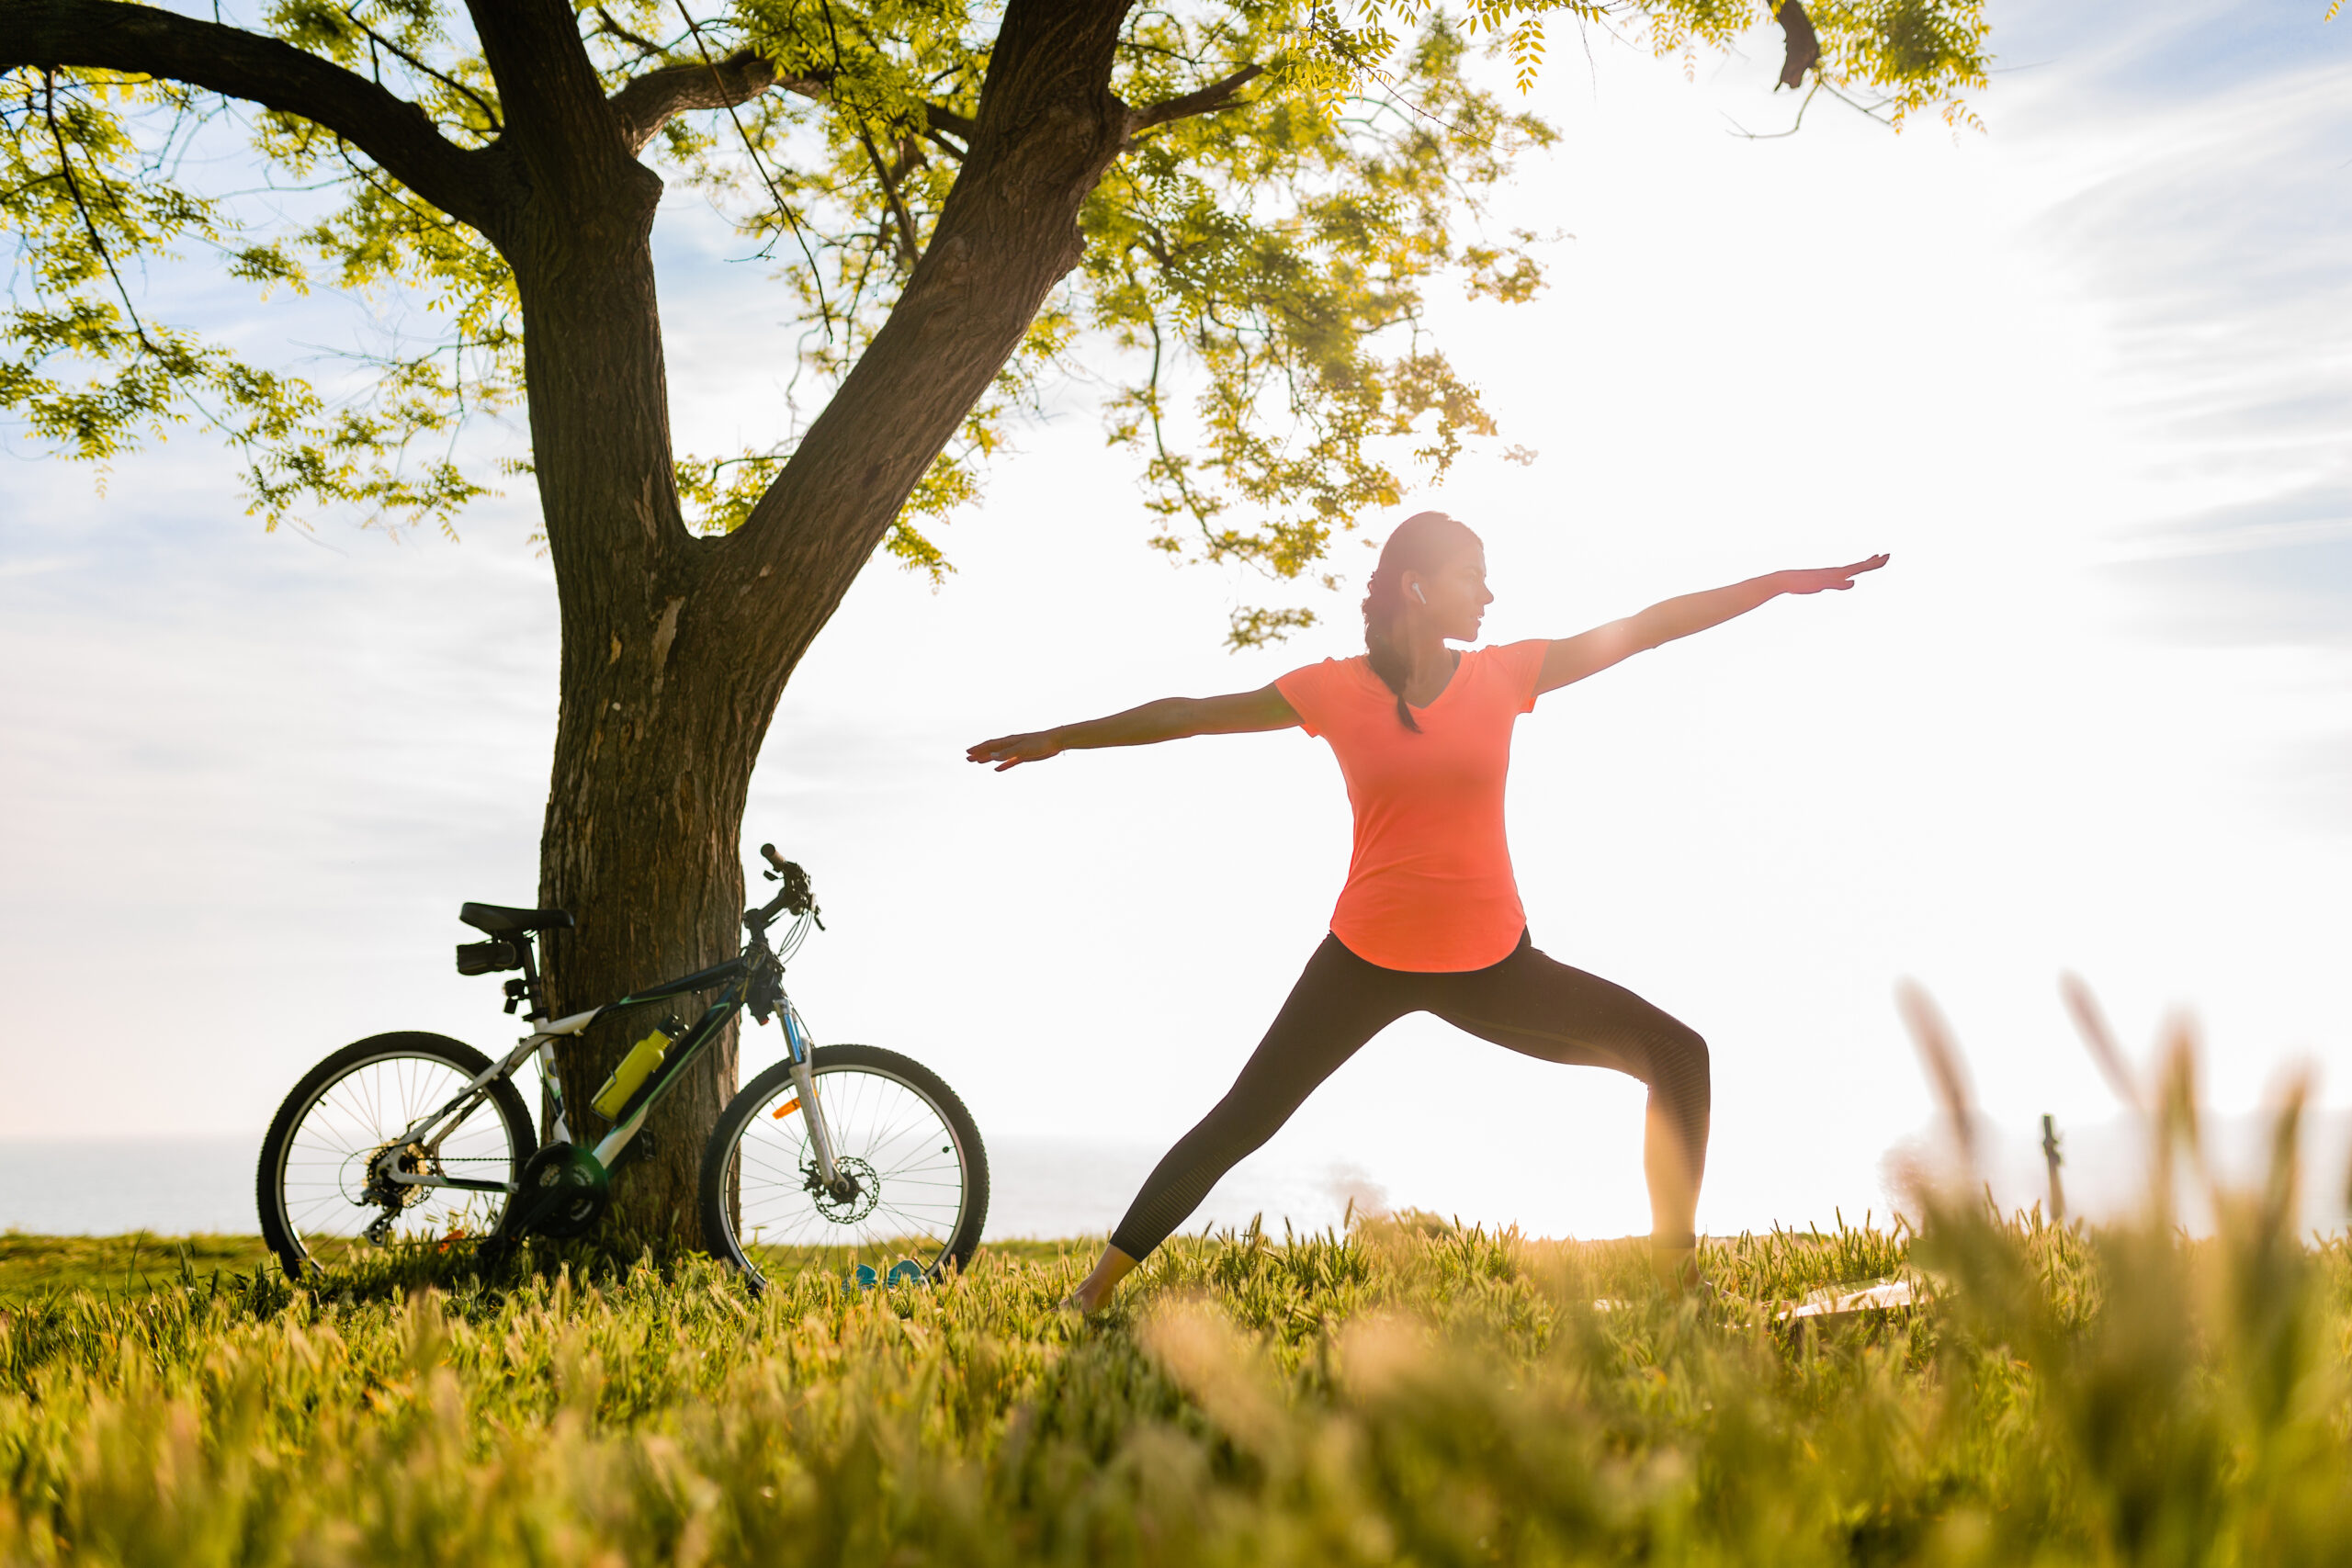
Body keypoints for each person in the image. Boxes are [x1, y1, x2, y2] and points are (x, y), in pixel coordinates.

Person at [967, 512, 1888, 1310]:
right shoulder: (1331, 689)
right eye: (1470, 577)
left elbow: (1647, 627)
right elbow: (1191, 714)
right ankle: (1094, 1289)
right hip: (1363, 958)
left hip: (1491, 964)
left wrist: (1775, 583)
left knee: (1678, 1056)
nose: (1487, 594)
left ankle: (1676, 1280)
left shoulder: (1504, 676)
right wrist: (1064, 736)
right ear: (1417, 586)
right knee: (1244, 1118)